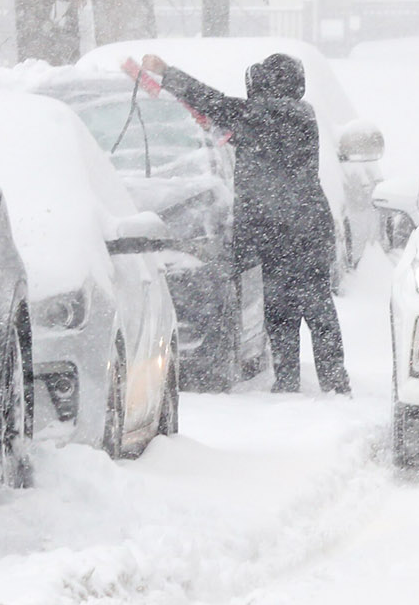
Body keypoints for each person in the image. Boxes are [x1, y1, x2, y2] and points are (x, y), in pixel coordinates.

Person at [140, 51, 352, 395]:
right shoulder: (286, 118)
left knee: (302, 312)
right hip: (297, 232)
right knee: (300, 312)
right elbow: (241, 127)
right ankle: (315, 384)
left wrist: (168, 74)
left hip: (290, 234)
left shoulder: (282, 114)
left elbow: (219, 104)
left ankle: (318, 386)